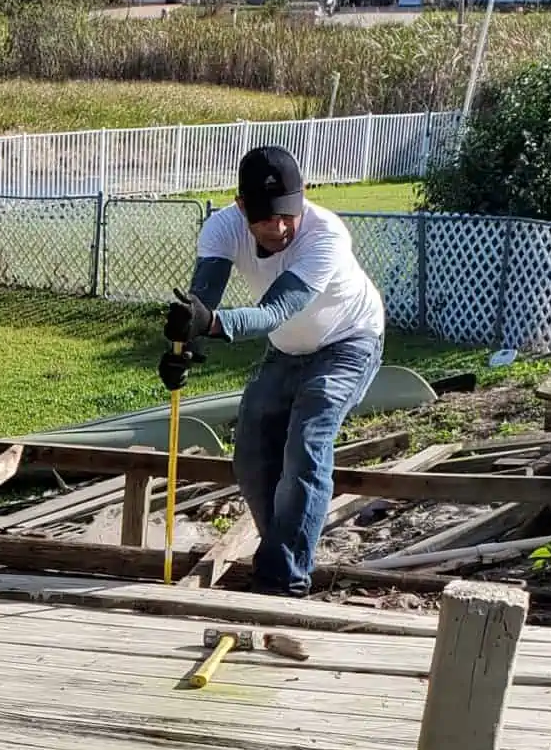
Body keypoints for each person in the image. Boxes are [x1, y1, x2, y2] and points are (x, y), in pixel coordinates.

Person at [161, 146, 385, 597]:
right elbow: (201, 301)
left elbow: (278, 308)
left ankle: (284, 582)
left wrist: (216, 324)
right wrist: (181, 348)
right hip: (286, 351)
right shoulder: (223, 227)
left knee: (306, 444)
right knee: (251, 455)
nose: (279, 228)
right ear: (242, 206)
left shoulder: (327, 236)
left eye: (288, 215)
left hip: (349, 342)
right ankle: (279, 552)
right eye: (265, 218)